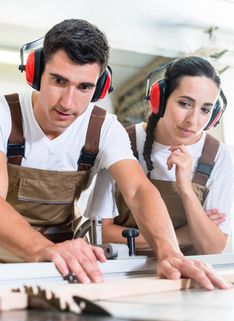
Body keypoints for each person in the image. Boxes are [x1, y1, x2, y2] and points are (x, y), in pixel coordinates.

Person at [0, 19, 231, 290]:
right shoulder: (5, 115)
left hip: (59, 267)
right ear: (35, 71)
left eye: (84, 87)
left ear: (99, 86)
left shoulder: (104, 128)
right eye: (59, 81)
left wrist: (169, 252)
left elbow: (137, 191)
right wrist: (41, 248)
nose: (68, 102)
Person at [86, 56, 234, 257]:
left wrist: (186, 190)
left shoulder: (217, 155)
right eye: (184, 104)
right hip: (125, 275)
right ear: (160, 99)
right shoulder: (122, 141)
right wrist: (181, 237)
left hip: (188, 278)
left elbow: (213, 247)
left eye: (205, 109)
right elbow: (100, 234)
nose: (193, 120)